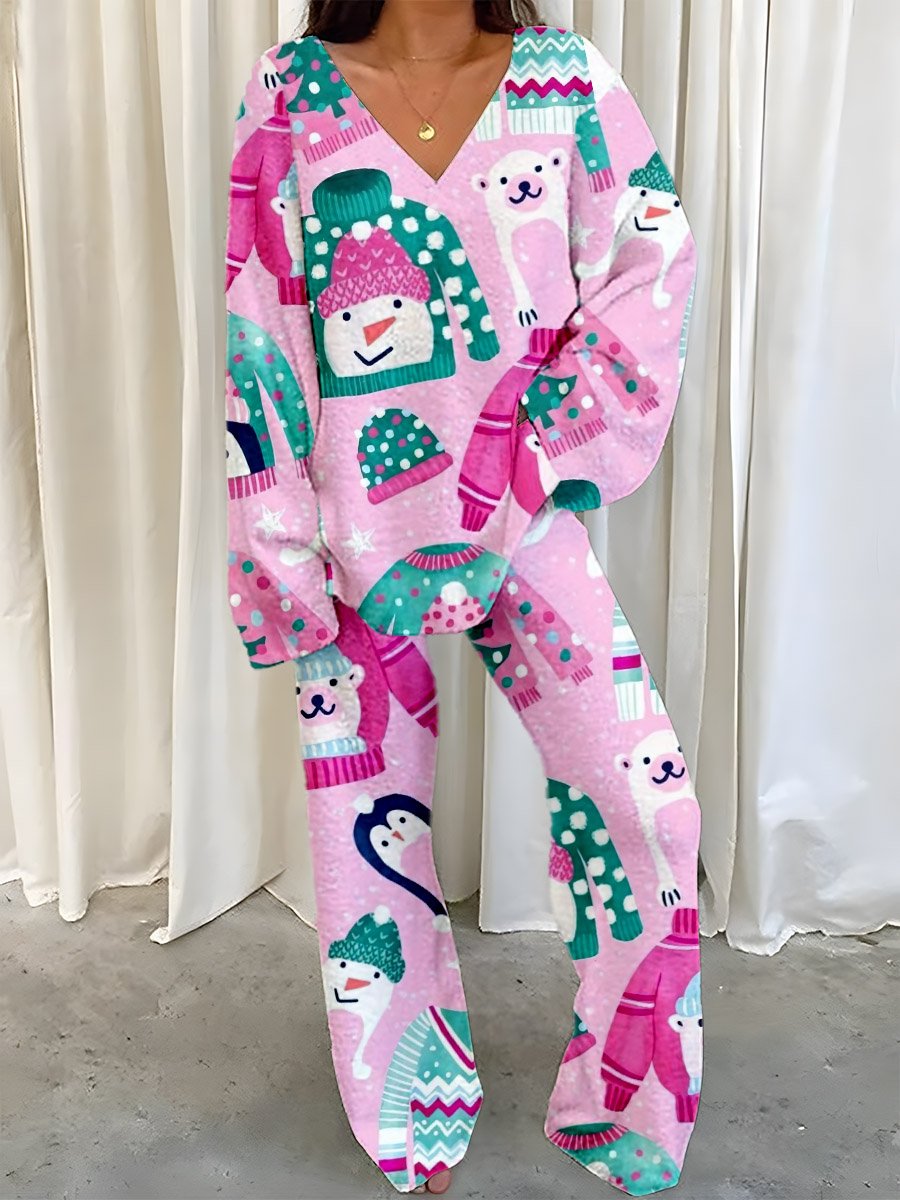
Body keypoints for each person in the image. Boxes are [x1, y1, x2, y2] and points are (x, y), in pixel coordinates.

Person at [224, 0, 701, 1194]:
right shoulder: (290, 91)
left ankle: (626, 1099)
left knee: (645, 807)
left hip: (521, 516)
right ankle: (411, 1108)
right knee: (365, 845)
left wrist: (536, 458)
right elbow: (261, 324)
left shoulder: (565, 83)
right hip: (350, 533)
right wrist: (282, 546)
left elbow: (648, 269)